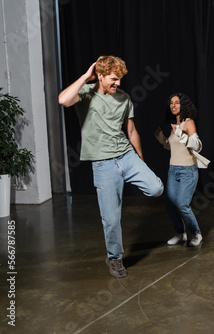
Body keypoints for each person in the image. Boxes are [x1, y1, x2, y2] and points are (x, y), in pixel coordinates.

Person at [58, 56, 164, 278]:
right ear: (100, 76)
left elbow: (131, 131)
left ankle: (131, 174)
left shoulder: (124, 98)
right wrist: (87, 76)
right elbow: (63, 100)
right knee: (111, 218)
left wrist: (140, 159)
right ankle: (114, 258)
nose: (118, 84)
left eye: (120, 79)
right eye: (114, 79)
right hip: (103, 163)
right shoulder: (86, 93)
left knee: (156, 188)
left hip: (126, 156)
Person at [154, 93, 207, 247]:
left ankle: (197, 233)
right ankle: (181, 233)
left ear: (183, 105)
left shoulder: (188, 123)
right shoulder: (174, 125)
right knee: (170, 205)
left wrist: (179, 133)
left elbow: (197, 145)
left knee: (182, 204)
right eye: (171, 103)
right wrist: (160, 137)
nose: (173, 105)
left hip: (187, 171)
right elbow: (172, 147)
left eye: (177, 102)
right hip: (173, 170)